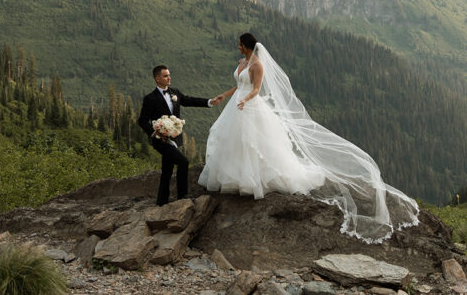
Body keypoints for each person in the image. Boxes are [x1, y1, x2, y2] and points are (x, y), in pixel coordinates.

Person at [198, 33, 419, 243]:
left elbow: (256, 89)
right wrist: (224, 95)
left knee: (254, 142)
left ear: (246, 45)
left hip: (249, 105)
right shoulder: (242, 62)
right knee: (235, 141)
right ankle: (237, 177)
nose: (237, 47)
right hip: (236, 104)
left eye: (240, 43)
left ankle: (255, 179)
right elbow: (238, 85)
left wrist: (245, 100)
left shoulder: (257, 65)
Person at [137, 64, 222, 206]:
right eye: (165, 76)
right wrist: (155, 132)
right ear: (157, 79)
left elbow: (189, 100)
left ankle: (161, 202)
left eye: (169, 75)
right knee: (183, 162)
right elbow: (142, 120)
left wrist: (209, 102)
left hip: (175, 138)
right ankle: (182, 196)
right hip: (161, 140)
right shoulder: (150, 98)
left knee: (167, 170)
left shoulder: (174, 92)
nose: (169, 78)